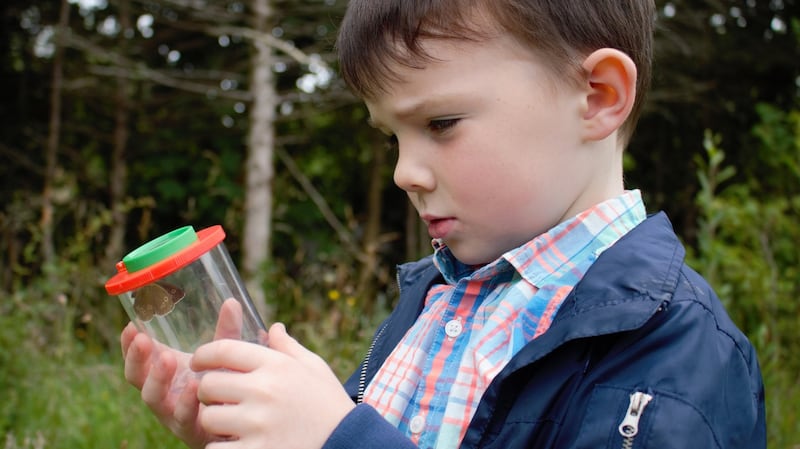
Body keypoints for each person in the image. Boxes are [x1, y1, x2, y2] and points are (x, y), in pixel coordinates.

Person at [121, 0, 767, 448]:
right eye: (392, 136)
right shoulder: (437, 304)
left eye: (439, 124)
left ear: (597, 95)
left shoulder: (678, 353)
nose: (405, 171)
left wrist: (338, 437)